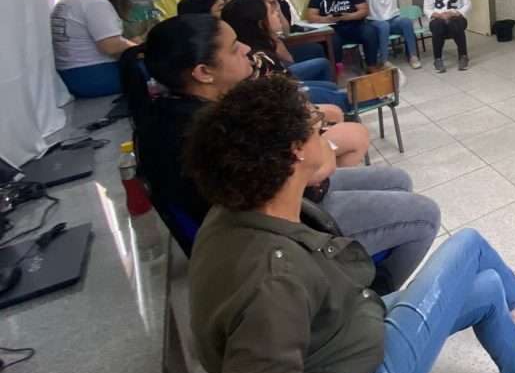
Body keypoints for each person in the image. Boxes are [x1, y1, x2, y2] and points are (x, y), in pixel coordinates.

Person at [185, 74, 515, 373]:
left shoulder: (234, 209)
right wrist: (348, 368)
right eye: (319, 132)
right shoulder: (273, 280)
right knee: (468, 244)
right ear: (295, 152)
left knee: (488, 287)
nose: (328, 139)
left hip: (339, 338)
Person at [120, 15, 439, 290]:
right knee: (426, 215)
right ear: (203, 72)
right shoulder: (209, 131)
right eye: (234, 47)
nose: (246, 49)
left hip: (284, 199)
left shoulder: (177, 109)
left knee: (397, 178)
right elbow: (315, 170)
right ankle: (375, 296)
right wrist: (317, 137)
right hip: (284, 231)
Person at [220, 0, 350, 112]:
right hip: (284, 97)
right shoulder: (260, 58)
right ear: (260, 24)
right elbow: (282, 93)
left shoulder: (260, 42)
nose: (277, 14)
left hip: (284, 83)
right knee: (344, 97)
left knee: (330, 85)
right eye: (272, 12)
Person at [50, 0, 138, 97]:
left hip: (70, 77)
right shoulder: (93, 3)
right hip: (95, 76)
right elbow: (111, 46)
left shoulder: (67, 1)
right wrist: (143, 47)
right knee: (165, 67)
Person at [306, 0, 380, 70]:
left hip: (355, 27)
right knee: (331, 39)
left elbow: (364, 10)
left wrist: (350, 16)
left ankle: (371, 65)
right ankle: (337, 68)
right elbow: (311, 16)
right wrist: (326, 19)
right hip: (334, 30)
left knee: (370, 31)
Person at [234, 0, 322, 62]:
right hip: (266, 53)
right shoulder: (249, 12)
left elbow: (286, 33)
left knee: (316, 48)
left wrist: (278, 9)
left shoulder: (279, 2)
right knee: (320, 61)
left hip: (280, 46)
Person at [359, 0, 422, 70]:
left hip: (393, 19)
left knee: (406, 22)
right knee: (384, 26)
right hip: (375, 21)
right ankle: (384, 61)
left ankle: (413, 56)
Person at [424, 0, 471, 73]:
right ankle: (438, 59)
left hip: (456, 17)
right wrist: (439, 15)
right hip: (438, 18)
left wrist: (454, 13)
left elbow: (468, 4)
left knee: (456, 23)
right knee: (437, 25)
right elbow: (427, 9)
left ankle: (463, 56)